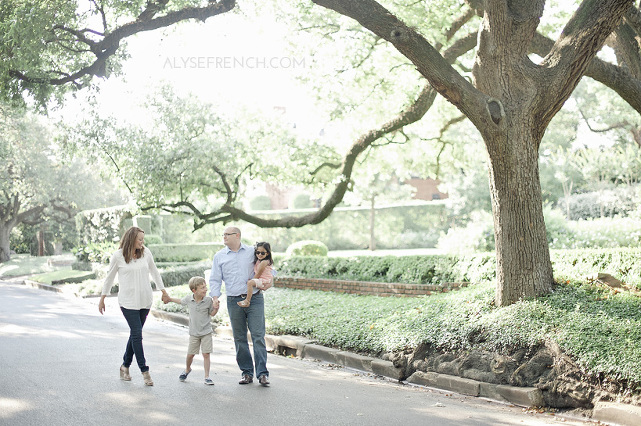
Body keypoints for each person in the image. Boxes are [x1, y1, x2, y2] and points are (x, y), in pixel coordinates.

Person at [98, 226, 168, 386]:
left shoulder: (146, 252)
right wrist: (103, 298)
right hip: (128, 302)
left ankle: (124, 366)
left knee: (135, 334)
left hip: (145, 300)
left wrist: (163, 291)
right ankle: (145, 371)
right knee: (137, 334)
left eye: (143, 239)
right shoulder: (118, 256)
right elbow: (109, 278)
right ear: (131, 239)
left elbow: (155, 272)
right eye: (140, 239)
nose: (142, 242)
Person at [209, 226, 271, 386]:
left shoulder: (252, 251)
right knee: (239, 337)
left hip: (255, 299)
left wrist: (269, 281)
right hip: (233, 301)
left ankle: (262, 374)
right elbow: (215, 279)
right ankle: (247, 373)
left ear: (237, 235)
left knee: (258, 336)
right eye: (223, 235)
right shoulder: (219, 256)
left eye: (227, 235)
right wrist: (215, 297)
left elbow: (267, 264)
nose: (224, 237)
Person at [162, 276, 218, 385]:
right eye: (202, 288)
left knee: (206, 354)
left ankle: (207, 376)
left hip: (206, 332)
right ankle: (187, 369)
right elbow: (180, 301)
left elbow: (212, 313)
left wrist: (216, 307)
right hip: (194, 333)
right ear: (194, 290)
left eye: (205, 287)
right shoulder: (189, 299)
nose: (205, 289)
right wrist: (169, 299)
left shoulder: (208, 300)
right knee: (190, 354)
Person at [237, 242, 273, 308]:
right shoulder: (259, 261)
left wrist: (252, 281)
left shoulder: (264, 262)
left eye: (262, 253)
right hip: (261, 280)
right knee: (250, 282)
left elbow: (258, 274)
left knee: (250, 283)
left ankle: (247, 301)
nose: (259, 254)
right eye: (257, 252)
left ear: (267, 253)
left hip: (264, 280)